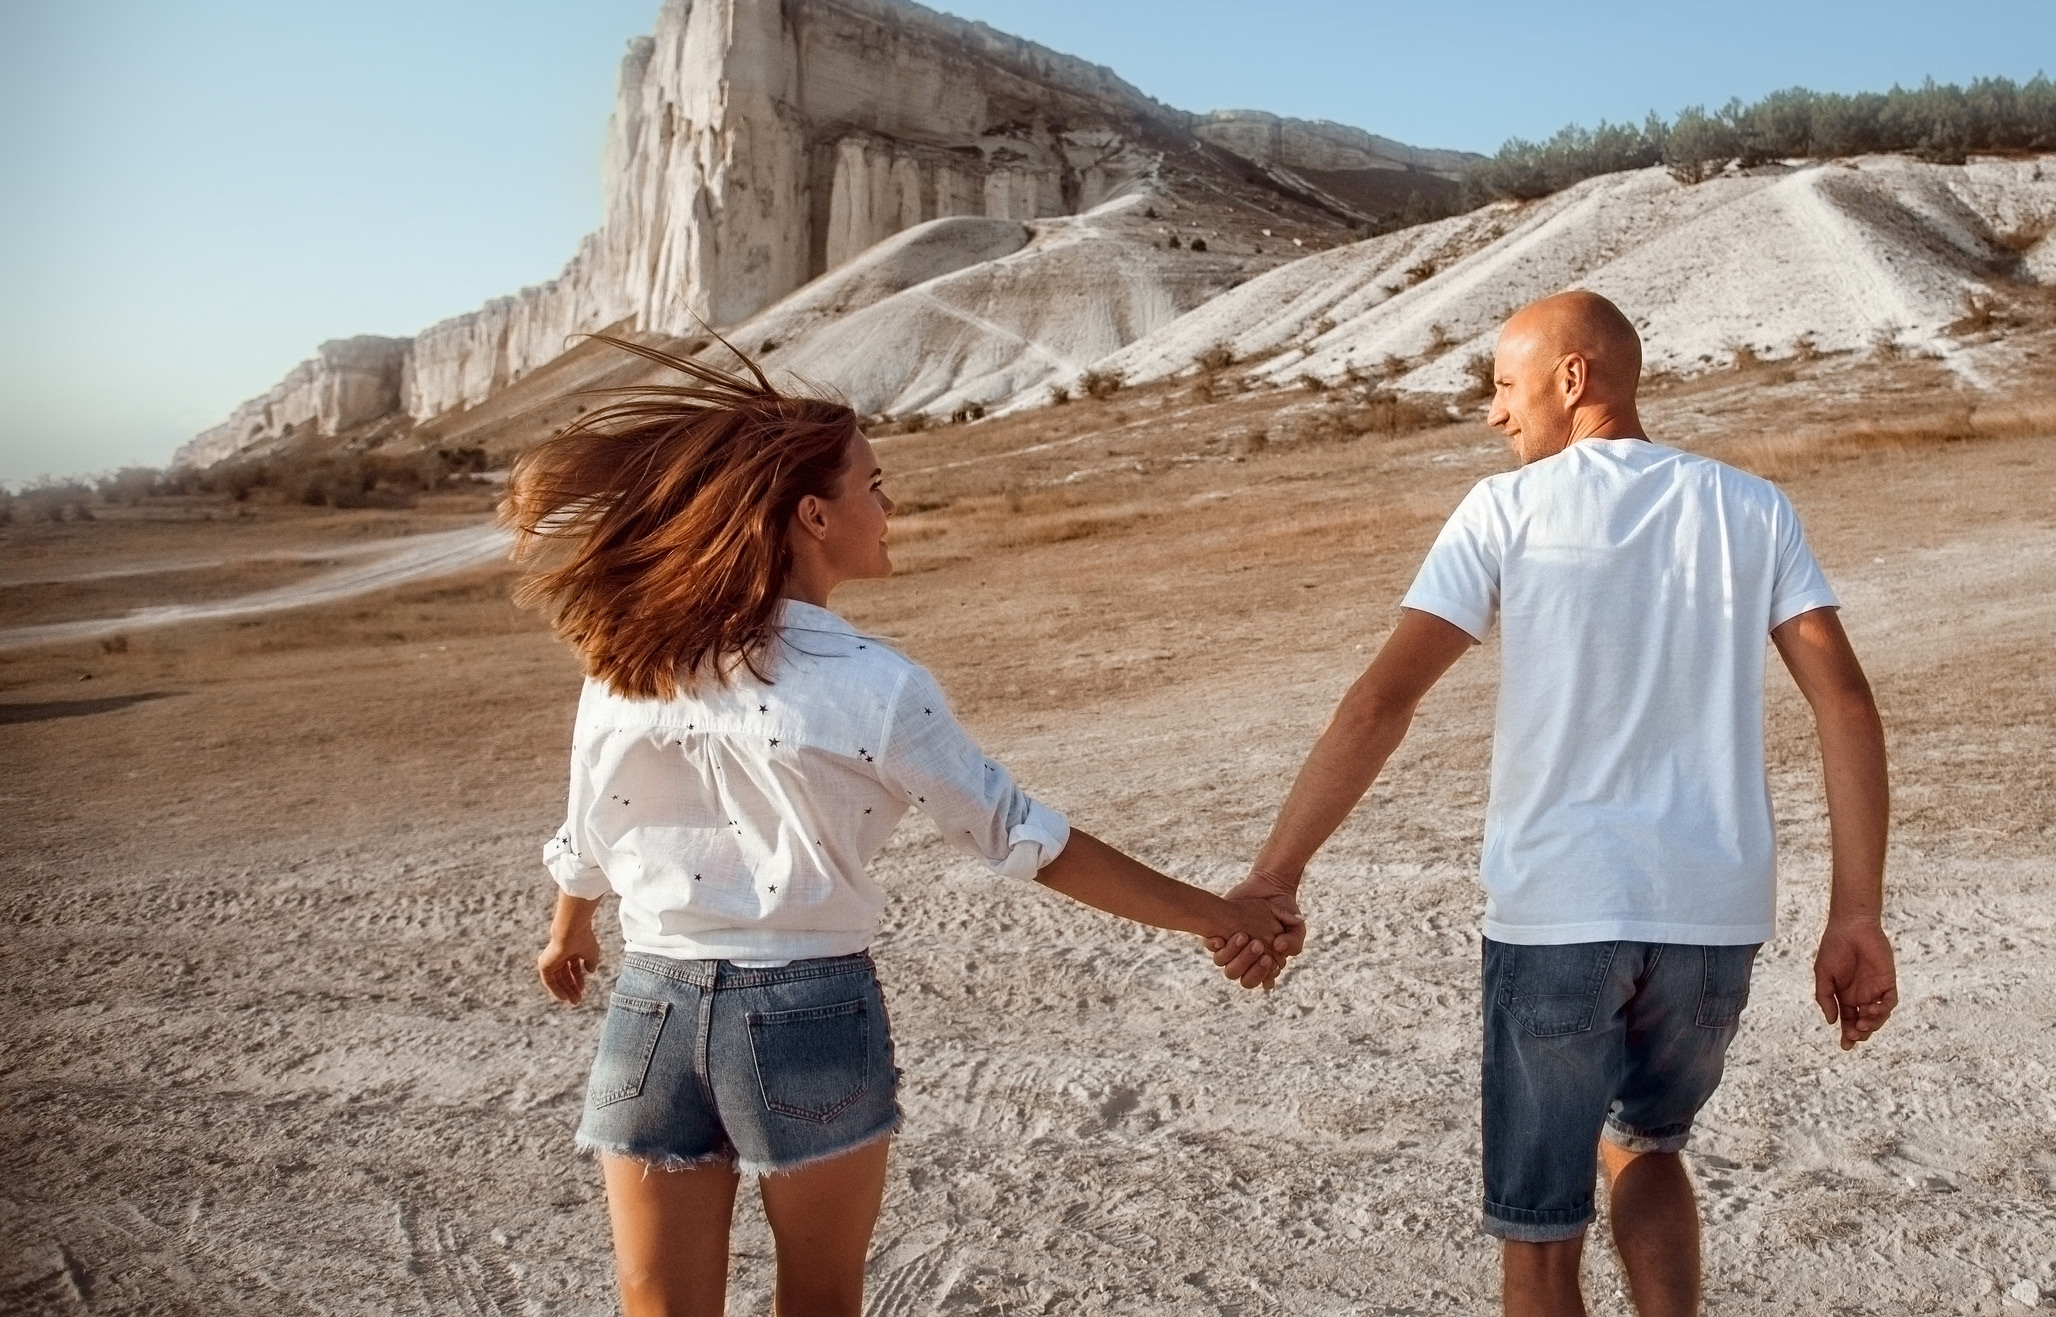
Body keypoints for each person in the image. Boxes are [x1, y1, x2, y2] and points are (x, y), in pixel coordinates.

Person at [509, 343, 1289, 1317]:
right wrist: (1221, 913)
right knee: (823, 1299)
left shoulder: (625, 660)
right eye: (873, 484)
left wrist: (568, 924)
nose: (890, 506)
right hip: (805, 1011)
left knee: (656, 1305)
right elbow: (1025, 840)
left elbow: (587, 822)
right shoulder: (876, 686)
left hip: (650, 1004)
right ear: (814, 515)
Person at [1210, 290, 1896, 1317]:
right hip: (1709, 917)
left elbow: (1382, 699)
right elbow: (1843, 700)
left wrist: (1274, 874)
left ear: (1570, 379)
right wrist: (1855, 913)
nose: (1493, 413)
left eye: (1501, 384)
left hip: (1559, 913)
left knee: (1538, 1238)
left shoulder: (1504, 508)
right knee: (1647, 1146)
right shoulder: (1751, 506)